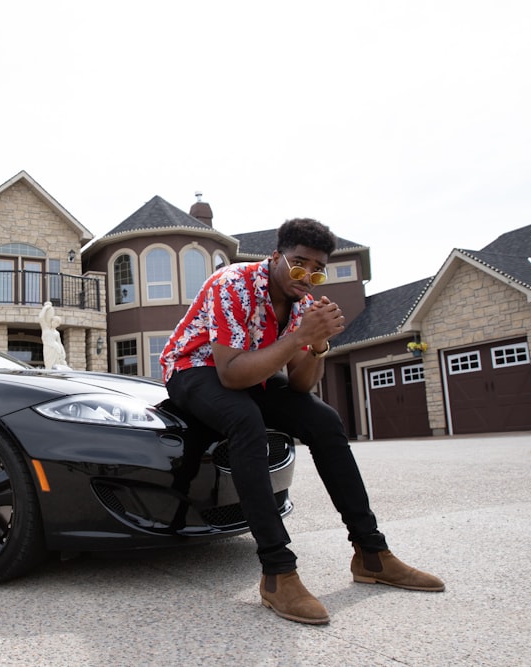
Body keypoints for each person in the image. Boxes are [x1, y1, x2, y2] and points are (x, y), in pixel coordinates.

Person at [159, 218, 444, 625]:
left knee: (325, 420)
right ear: (275, 257)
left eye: (317, 268)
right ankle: (278, 571)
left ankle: (371, 553)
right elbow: (230, 375)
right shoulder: (233, 283)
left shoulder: (304, 305)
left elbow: (300, 383)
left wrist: (318, 344)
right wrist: (296, 339)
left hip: (253, 368)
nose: (307, 275)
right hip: (194, 368)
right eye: (298, 263)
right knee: (245, 420)